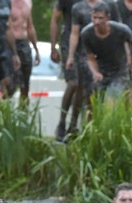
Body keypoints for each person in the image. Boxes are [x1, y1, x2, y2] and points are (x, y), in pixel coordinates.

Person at [65, 0, 121, 136]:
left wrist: (125, 55)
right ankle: (82, 128)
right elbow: (74, 33)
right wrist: (71, 55)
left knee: (110, 96)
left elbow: (120, 29)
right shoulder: (78, 8)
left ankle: (107, 128)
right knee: (88, 93)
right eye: (94, 17)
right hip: (86, 53)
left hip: (108, 54)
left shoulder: (111, 5)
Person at [80, 2, 132, 101]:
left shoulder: (121, 30)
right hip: (103, 71)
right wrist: (95, 72)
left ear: (107, 17)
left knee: (111, 100)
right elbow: (90, 58)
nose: (97, 22)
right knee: (94, 100)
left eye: (100, 18)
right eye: (94, 18)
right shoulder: (86, 34)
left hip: (120, 71)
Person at [49, 0, 82, 141]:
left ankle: (73, 125)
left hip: (86, 42)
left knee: (82, 85)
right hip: (68, 41)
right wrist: (53, 46)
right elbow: (55, 19)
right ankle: (62, 123)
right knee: (73, 82)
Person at [9, 0, 41, 105]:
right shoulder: (7, 3)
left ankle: (23, 115)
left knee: (25, 83)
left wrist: (36, 49)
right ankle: (5, 112)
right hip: (10, 43)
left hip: (24, 43)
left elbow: (30, 27)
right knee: (11, 83)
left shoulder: (28, 3)